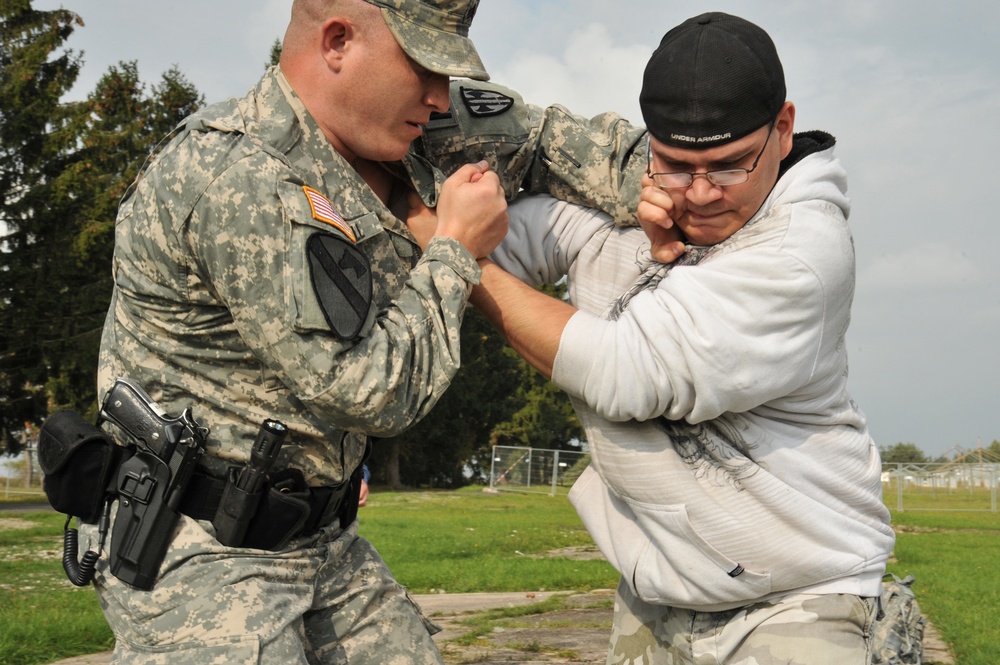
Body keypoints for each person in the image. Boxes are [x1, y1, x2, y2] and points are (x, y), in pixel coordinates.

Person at [414, 11, 895, 665]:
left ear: (782, 130)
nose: (700, 193)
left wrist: (443, 242)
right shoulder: (623, 207)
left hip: (797, 598)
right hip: (657, 599)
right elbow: (507, 243)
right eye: (676, 164)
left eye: (728, 166)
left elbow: (624, 369)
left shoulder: (802, 250)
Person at [80, 0, 507, 663]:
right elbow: (369, 394)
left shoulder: (336, 154)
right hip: (204, 551)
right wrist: (454, 250)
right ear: (336, 42)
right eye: (424, 67)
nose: (440, 96)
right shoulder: (240, 175)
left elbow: (532, 131)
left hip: (320, 539)